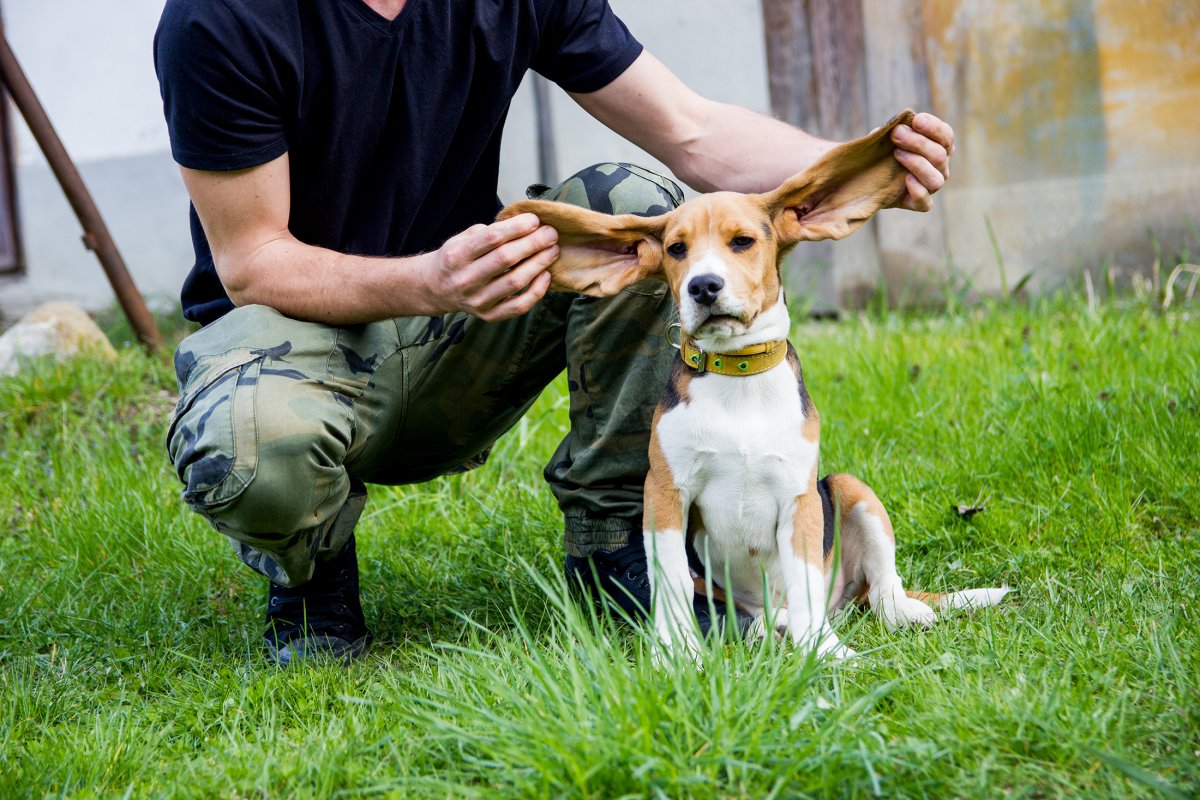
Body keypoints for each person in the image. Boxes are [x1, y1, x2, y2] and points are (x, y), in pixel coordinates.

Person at [154, 0, 954, 665]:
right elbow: (252, 261)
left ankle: (616, 550)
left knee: (635, 200)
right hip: (299, 347)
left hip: (459, 333)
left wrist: (862, 174)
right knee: (251, 441)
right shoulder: (222, 20)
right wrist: (426, 278)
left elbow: (691, 130)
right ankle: (311, 576)